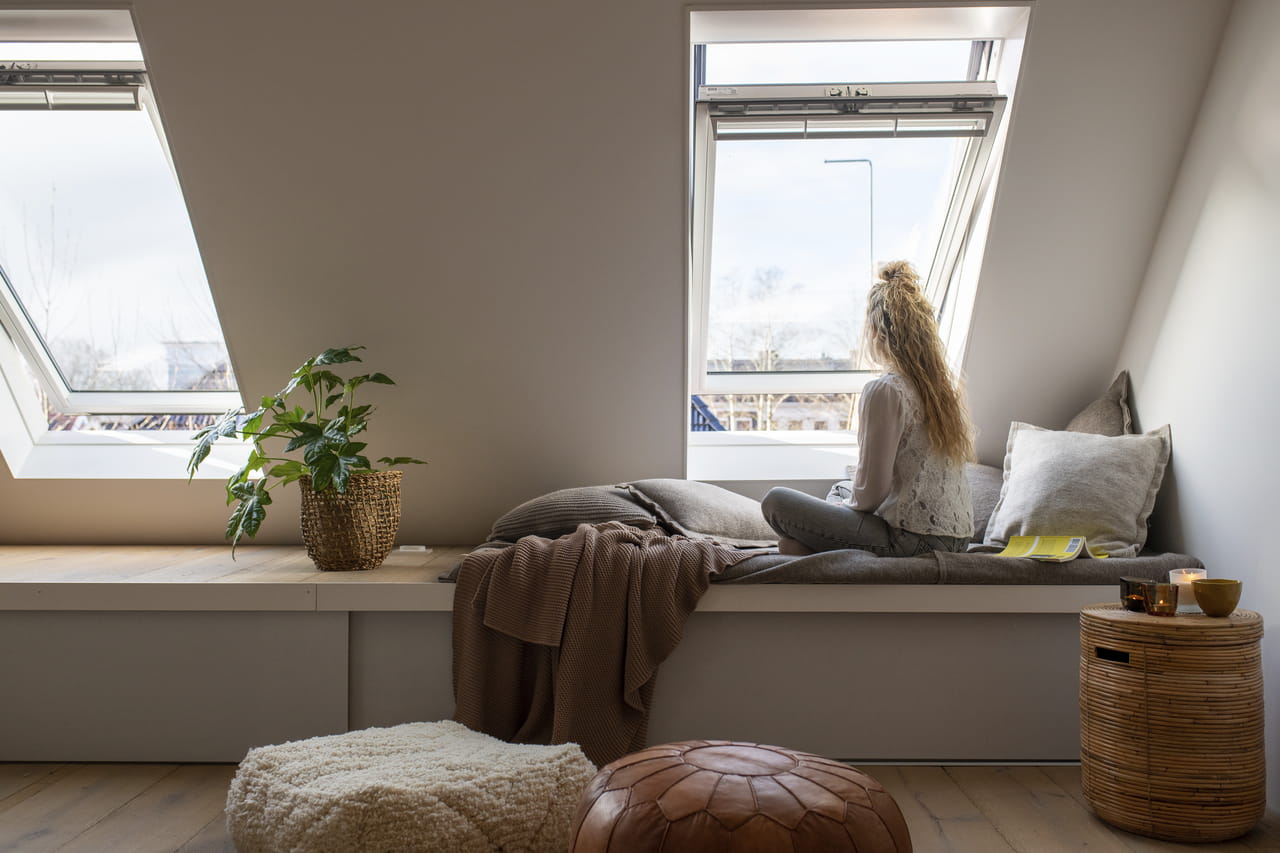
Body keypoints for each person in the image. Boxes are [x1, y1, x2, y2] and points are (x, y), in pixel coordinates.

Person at [761, 260, 974, 557]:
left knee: (776, 502)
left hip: (909, 540)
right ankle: (810, 547)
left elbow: (871, 494)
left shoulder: (886, 389)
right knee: (840, 488)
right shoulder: (941, 391)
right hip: (958, 538)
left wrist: (844, 510)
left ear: (876, 331)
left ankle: (810, 548)